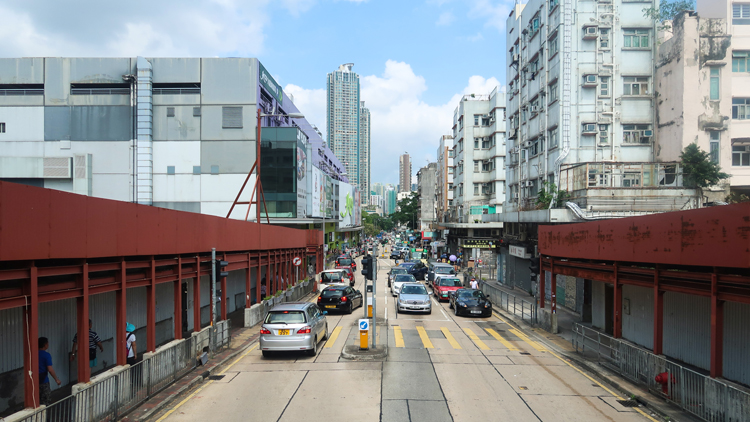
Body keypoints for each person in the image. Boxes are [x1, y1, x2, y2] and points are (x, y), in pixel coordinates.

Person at [39, 337, 61, 406]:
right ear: (45, 345)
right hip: (44, 381)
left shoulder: (33, 354)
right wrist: (56, 379)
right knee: (45, 401)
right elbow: (50, 369)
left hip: (34, 382)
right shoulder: (46, 355)